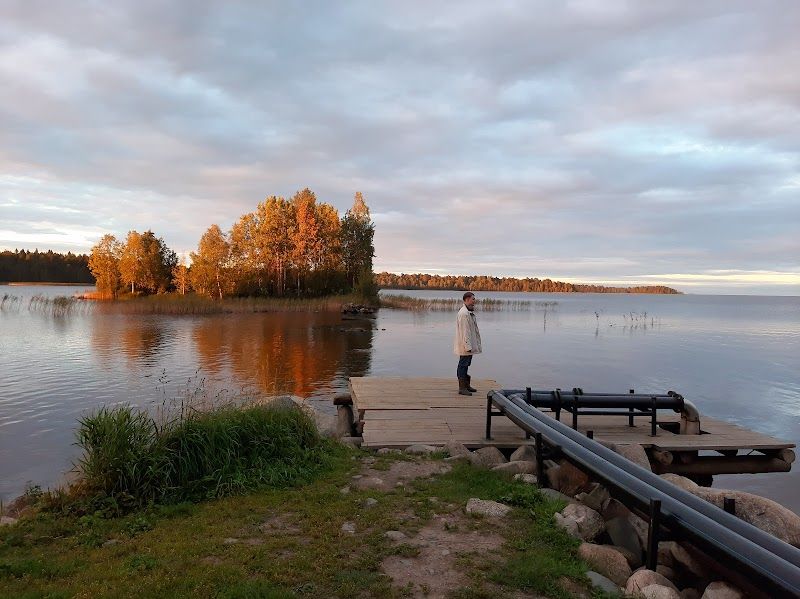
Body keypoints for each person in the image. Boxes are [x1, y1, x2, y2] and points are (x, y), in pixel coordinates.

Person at [454, 291, 482, 396]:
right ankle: (462, 388)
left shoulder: (468, 312)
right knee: (463, 364)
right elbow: (465, 331)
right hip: (465, 345)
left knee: (466, 364)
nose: (474, 301)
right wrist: (468, 346)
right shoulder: (464, 314)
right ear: (466, 300)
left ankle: (466, 385)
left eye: (474, 299)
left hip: (468, 345)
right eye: (473, 299)